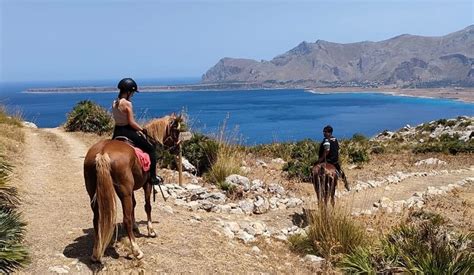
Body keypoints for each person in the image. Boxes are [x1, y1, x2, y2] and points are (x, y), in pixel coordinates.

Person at [111, 78, 160, 185]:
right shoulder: (127, 104)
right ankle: (153, 177)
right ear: (128, 92)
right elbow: (131, 123)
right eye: (132, 92)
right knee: (151, 149)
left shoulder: (114, 102)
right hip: (127, 131)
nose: (133, 95)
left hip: (117, 131)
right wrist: (142, 129)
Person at [316, 125, 350, 191]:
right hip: (335, 161)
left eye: (325, 132)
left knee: (315, 168)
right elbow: (337, 149)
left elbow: (327, 150)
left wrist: (320, 159)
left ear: (329, 132)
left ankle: (313, 181)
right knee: (341, 171)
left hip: (327, 161)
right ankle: (346, 184)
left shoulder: (326, 140)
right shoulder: (335, 139)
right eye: (324, 131)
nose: (324, 133)